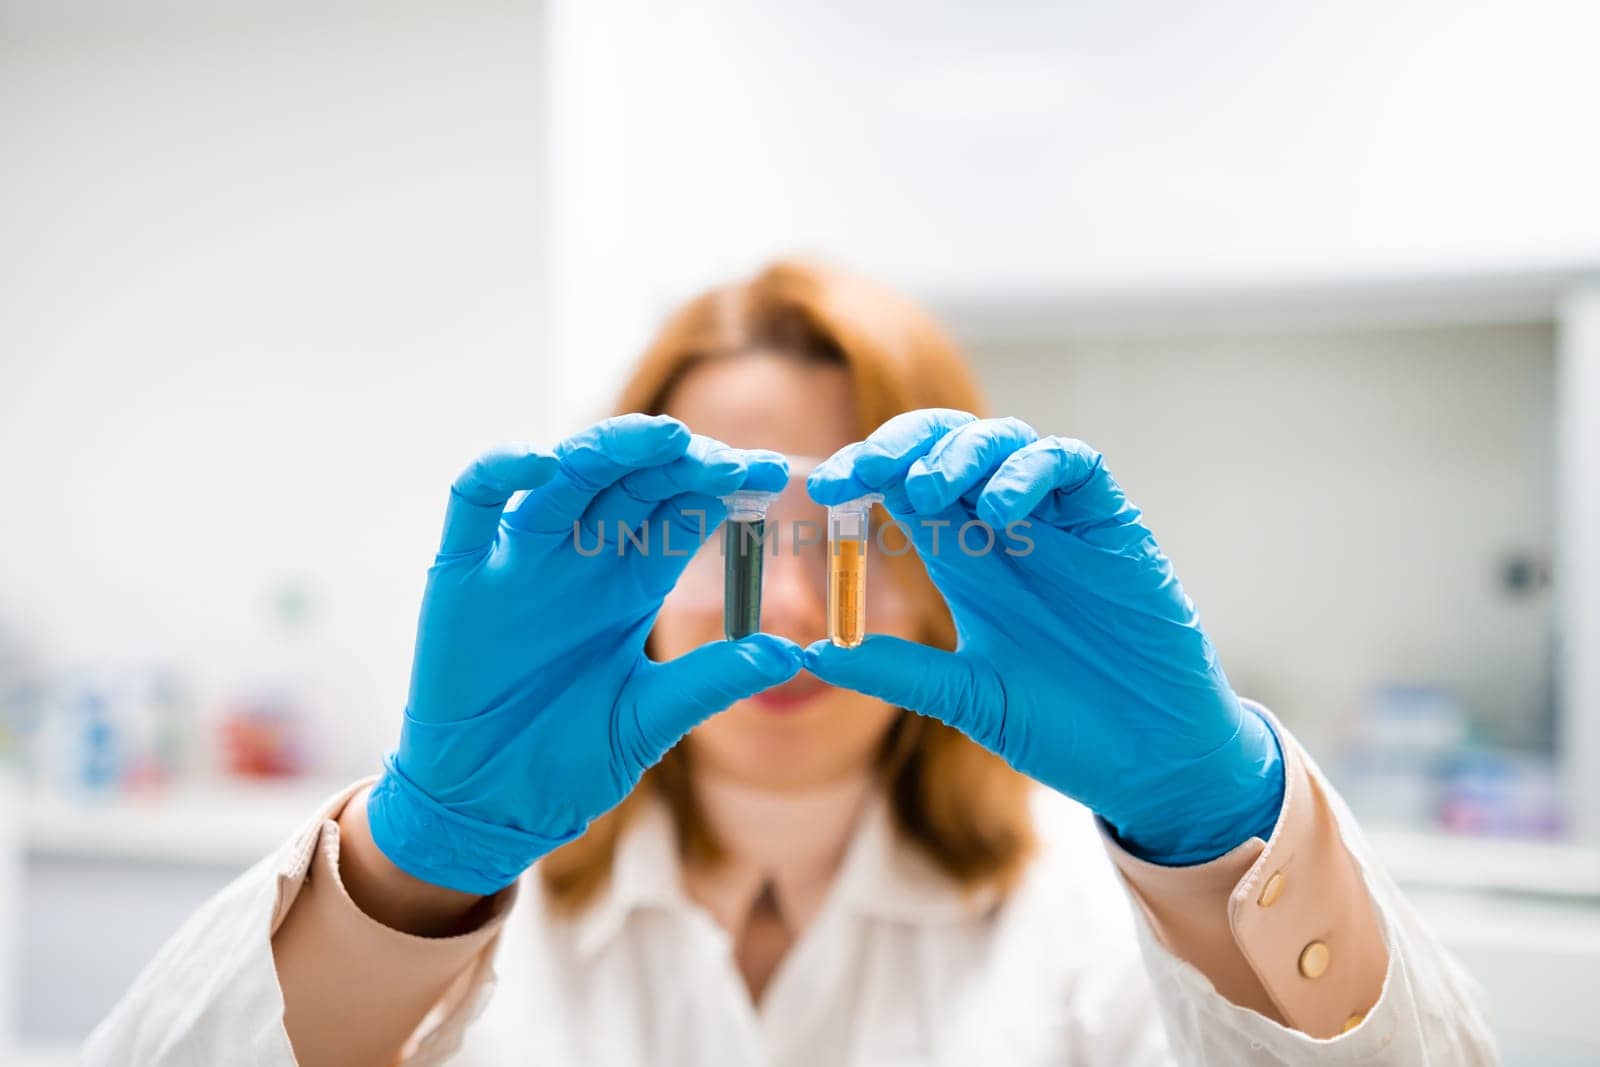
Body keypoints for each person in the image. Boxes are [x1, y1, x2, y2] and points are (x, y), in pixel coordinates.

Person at [86, 261, 1496, 1065]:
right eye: (724, 527)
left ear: (965, 564)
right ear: (618, 543)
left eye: (868, 527)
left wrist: (1222, 833)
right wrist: (408, 873)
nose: (803, 606)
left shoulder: (1094, 921)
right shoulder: (455, 889)